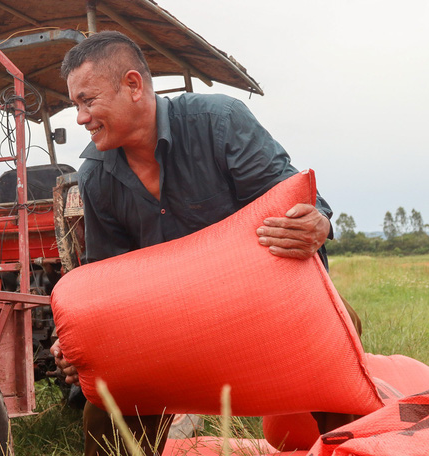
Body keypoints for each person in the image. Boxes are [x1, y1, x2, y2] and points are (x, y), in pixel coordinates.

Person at [51, 30, 360, 456]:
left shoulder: (220, 121)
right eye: (75, 105)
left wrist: (318, 222)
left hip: (256, 312)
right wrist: (77, 340)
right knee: (107, 413)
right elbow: (102, 277)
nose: (81, 118)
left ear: (133, 86)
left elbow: (291, 193)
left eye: (88, 101)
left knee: (342, 353)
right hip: (165, 331)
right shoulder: (95, 176)